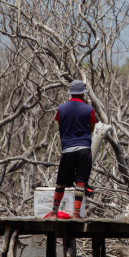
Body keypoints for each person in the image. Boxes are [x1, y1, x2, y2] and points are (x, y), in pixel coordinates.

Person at [45, 80, 97, 219]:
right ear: (82, 94)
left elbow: (59, 122)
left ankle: (54, 213)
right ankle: (76, 214)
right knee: (80, 182)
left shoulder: (61, 109)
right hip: (84, 149)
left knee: (61, 182)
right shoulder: (89, 109)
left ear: (71, 93)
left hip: (67, 148)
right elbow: (92, 127)